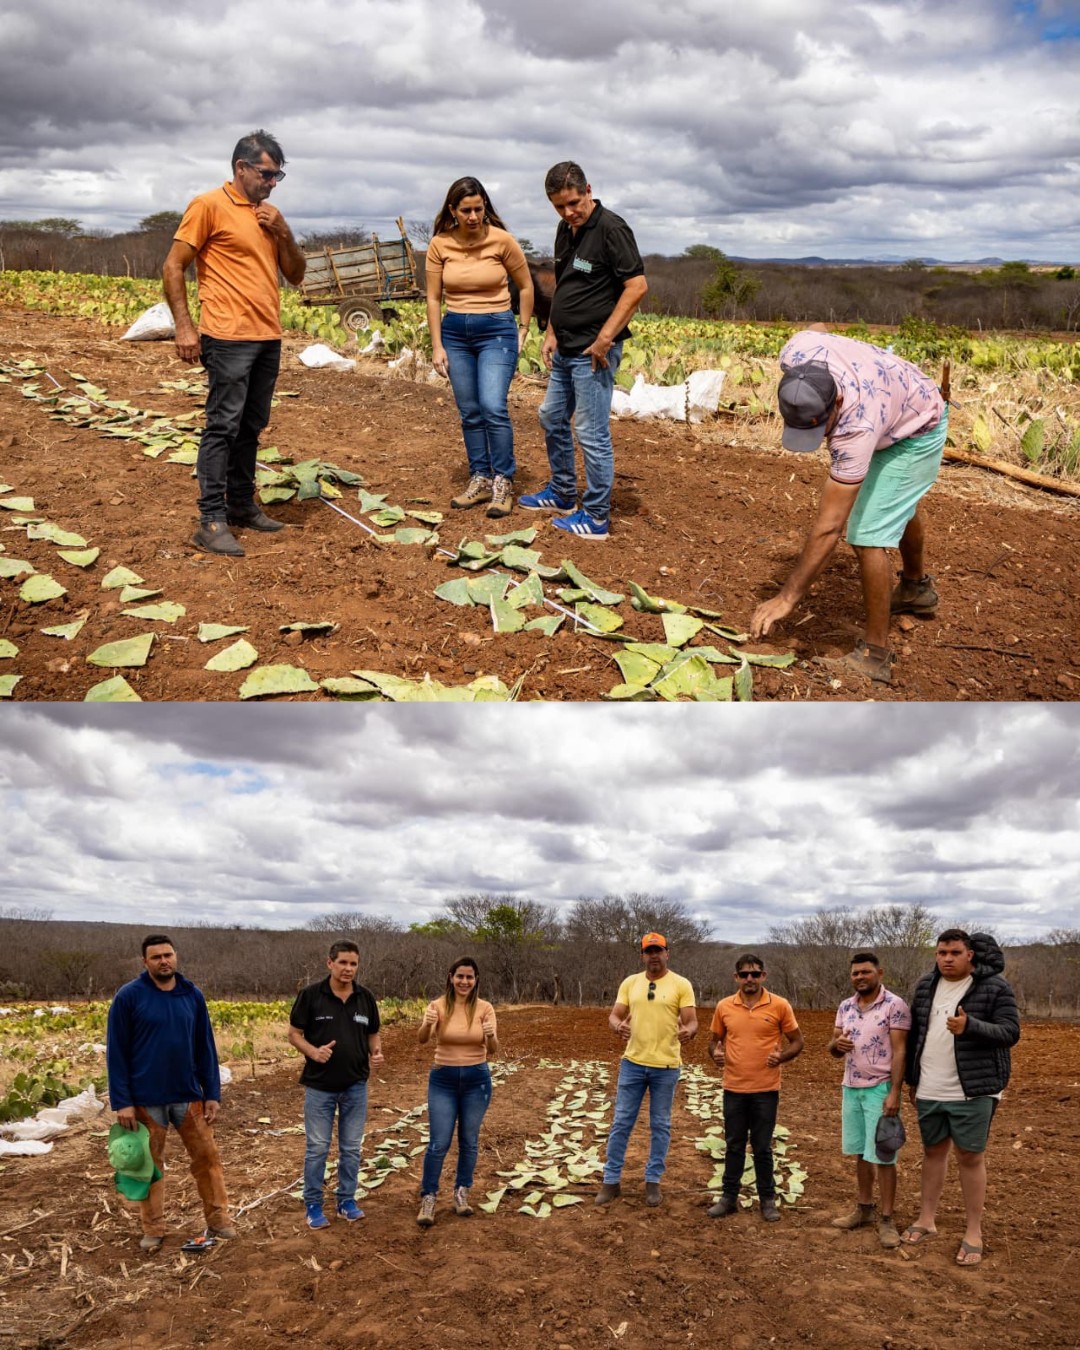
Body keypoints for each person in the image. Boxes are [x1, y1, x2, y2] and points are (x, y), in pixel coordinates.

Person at [750, 326, 948, 684]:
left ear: (837, 404)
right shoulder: (797, 351)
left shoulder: (856, 427)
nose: (822, 438)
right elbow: (818, 328)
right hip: (897, 397)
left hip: (918, 423)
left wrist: (787, 597)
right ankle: (915, 590)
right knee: (890, 503)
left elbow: (830, 528)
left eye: (821, 427)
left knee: (867, 534)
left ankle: (874, 656)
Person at [162, 129, 306, 558]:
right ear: (241, 168)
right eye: (266, 173)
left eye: (279, 176)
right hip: (226, 336)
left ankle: (241, 505)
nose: (272, 182)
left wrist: (284, 232)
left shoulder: (270, 215)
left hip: (267, 336)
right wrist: (186, 328)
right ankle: (210, 520)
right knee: (222, 425)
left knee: (252, 425)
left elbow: (296, 274)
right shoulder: (208, 205)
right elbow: (173, 267)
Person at [519, 162, 647, 540]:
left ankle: (595, 516)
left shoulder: (612, 229)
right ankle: (562, 493)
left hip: (595, 349)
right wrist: (552, 332)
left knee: (591, 432)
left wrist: (606, 338)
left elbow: (636, 287)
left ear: (588, 189)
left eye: (573, 203)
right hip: (566, 346)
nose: (568, 212)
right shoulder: (566, 230)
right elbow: (566, 284)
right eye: (559, 206)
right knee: (551, 415)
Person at [106, 934, 234, 1252]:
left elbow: (205, 1047)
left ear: (175, 956)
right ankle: (154, 1228)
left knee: (208, 1160)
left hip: (189, 1096)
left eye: (168, 955)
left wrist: (212, 1093)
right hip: (146, 1100)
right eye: (156, 957)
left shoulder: (191, 995)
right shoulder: (129, 997)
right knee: (149, 1166)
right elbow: (116, 1053)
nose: (164, 961)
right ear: (144, 962)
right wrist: (122, 1101)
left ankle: (218, 1220)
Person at [902, 929, 1020, 1267]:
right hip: (930, 1087)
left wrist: (972, 1027)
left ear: (970, 954)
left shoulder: (995, 987)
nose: (947, 959)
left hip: (974, 1089)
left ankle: (973, 1231)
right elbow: (917, 1035)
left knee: (970, 1157)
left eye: (954, 952)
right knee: (932, 1152)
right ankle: (927, 1220)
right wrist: (913, 1079)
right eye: (941, 953)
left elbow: (1011, 1033)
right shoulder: (926, 986)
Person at [426, 177, 534, 520]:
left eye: (478, 208)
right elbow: (432, 298)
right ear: (452, 211)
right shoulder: (439, 244)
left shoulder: (502, 241)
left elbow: (527, 286)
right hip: (456, 331)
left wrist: (523, 329)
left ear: (485, 206)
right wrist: (437, 344)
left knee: (492, 406)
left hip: (497, 331)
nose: (473, 216)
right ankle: (480, 478)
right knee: (470, 410)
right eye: (466, 210)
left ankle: (503, 482)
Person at [595, 933, 697, 1208]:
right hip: (633, 1064)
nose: (654, 955)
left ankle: (653, 1181)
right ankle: (611, 1180)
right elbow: (614, 1015)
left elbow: (692, 1022)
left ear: (667, 953)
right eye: (648, 951)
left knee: (660, 1125)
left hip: (666, 1067)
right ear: (642, 955)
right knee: (621, 1123)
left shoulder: (681, 984)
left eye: (658, 950)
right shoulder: (630, 983)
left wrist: (688, 1031)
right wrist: (617, 1025)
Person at [288, 940, 383, 1230]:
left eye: (353, 964)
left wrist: (376, 1053)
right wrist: (313, 1052)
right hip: (320, 1087)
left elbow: (373, 1033)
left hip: (355, 1085)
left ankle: (346, 1200)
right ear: (330, 963)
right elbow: (294, 1034)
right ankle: (314, 1204)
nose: (348, 969)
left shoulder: (365, 998)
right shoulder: (311, 996)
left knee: (352, 1148)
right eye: (342, 962)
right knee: (317, 1147)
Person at [708, 954, 803, 1222]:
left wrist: (781, 1057)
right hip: (734, 1087)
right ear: (736, 977)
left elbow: (797, 1041)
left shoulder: (780, 1005)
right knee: (734, 1144)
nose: (750, 979)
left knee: (762, 1147)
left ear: (764, 976)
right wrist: (715, 1054)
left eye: (755, 974)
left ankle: (767, 1200)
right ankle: (728, 1198)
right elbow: (713, 1041)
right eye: (744, 974)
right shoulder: (724, 1006)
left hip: (766, 1089)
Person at [827, 951, 911, 1249]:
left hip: (880, 1087)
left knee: (884, 1153)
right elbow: (833, 1046)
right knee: (861, 1152)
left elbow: (901, 1050)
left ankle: (886, 1218)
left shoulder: (894, 1006)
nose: (860, 977)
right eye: (855, 973)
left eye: (865, 972)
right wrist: (837, 1044)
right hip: (851, 1087)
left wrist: (895, 1092)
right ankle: (864, 1208)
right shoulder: (846, 1006)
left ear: (880, 973)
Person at [416, 956, 499, 1227]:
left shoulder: (485, 1008)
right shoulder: (437, 1006)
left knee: (469, 1141)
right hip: (443, 1080)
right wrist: (428, 1023)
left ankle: (462, 1193)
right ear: (451, 977)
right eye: (460, 976)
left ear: (476, 981)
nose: (464, 982)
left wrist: (490, 1034)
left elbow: (494, 1049)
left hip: (477, 1079)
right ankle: (428, 1197)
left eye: (470, 977)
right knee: (439, 1142)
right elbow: (422, 1039)